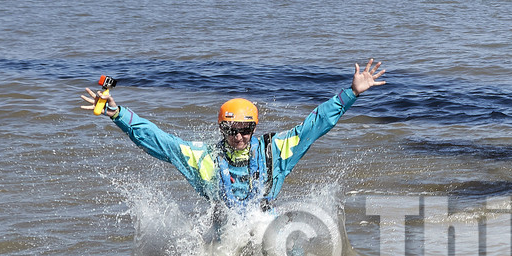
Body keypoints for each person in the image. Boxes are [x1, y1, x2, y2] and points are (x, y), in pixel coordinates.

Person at [84, 59, 387, 217]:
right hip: (224, 228)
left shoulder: (276, 150)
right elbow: (160, 141)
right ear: (221, 130)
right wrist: (117, 113)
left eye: (246, 130)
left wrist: (351, 94)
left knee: (292, 253)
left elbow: (314, 125)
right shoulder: (203, 159)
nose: (239, 137)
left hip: (266, 222)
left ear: (255, 128)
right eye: (232, 131)